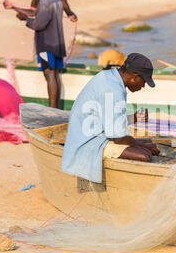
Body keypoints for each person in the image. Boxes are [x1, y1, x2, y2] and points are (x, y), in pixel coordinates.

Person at [61, 53, 160, 183]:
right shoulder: (114, 90)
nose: (143, 86)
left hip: (86, 135)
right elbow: (119, 139)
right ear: (134, 77)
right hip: (88, 143)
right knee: (144, 155)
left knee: (140, 148)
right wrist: (145, 146)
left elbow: (109, 119)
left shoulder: (109, 76)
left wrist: (133, 118)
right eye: (144, 82)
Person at [10, 0, 77, 109]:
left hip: (46, 44)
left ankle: (52, 110)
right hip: (58, 43)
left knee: (49, 74)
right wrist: (13, 7)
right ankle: (55, 109)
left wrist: (26, 20)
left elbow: (39, 24)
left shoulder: (45, 0)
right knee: (55, 74)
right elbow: (35, 13)